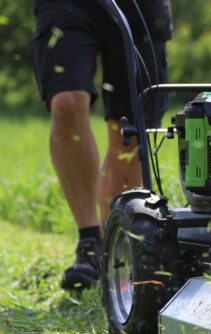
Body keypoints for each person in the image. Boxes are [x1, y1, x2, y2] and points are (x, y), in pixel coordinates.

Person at [31, 0, 172, 290]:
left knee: (130, 130)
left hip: (141, 7)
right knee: (66, 102)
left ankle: (114, 250)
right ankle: (89, 243)